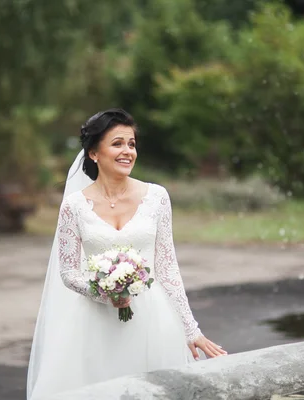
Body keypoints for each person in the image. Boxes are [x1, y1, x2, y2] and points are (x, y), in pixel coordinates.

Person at [26, 108, 226, 399]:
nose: (127, 151)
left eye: (131, 144)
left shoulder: (157, 197)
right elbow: (69, 273)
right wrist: (103, 290)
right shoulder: (74, 206)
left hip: (151, 320)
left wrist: (190, 329)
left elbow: (168, 269)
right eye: (117, 143)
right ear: (94, 153)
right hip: (93, 323)